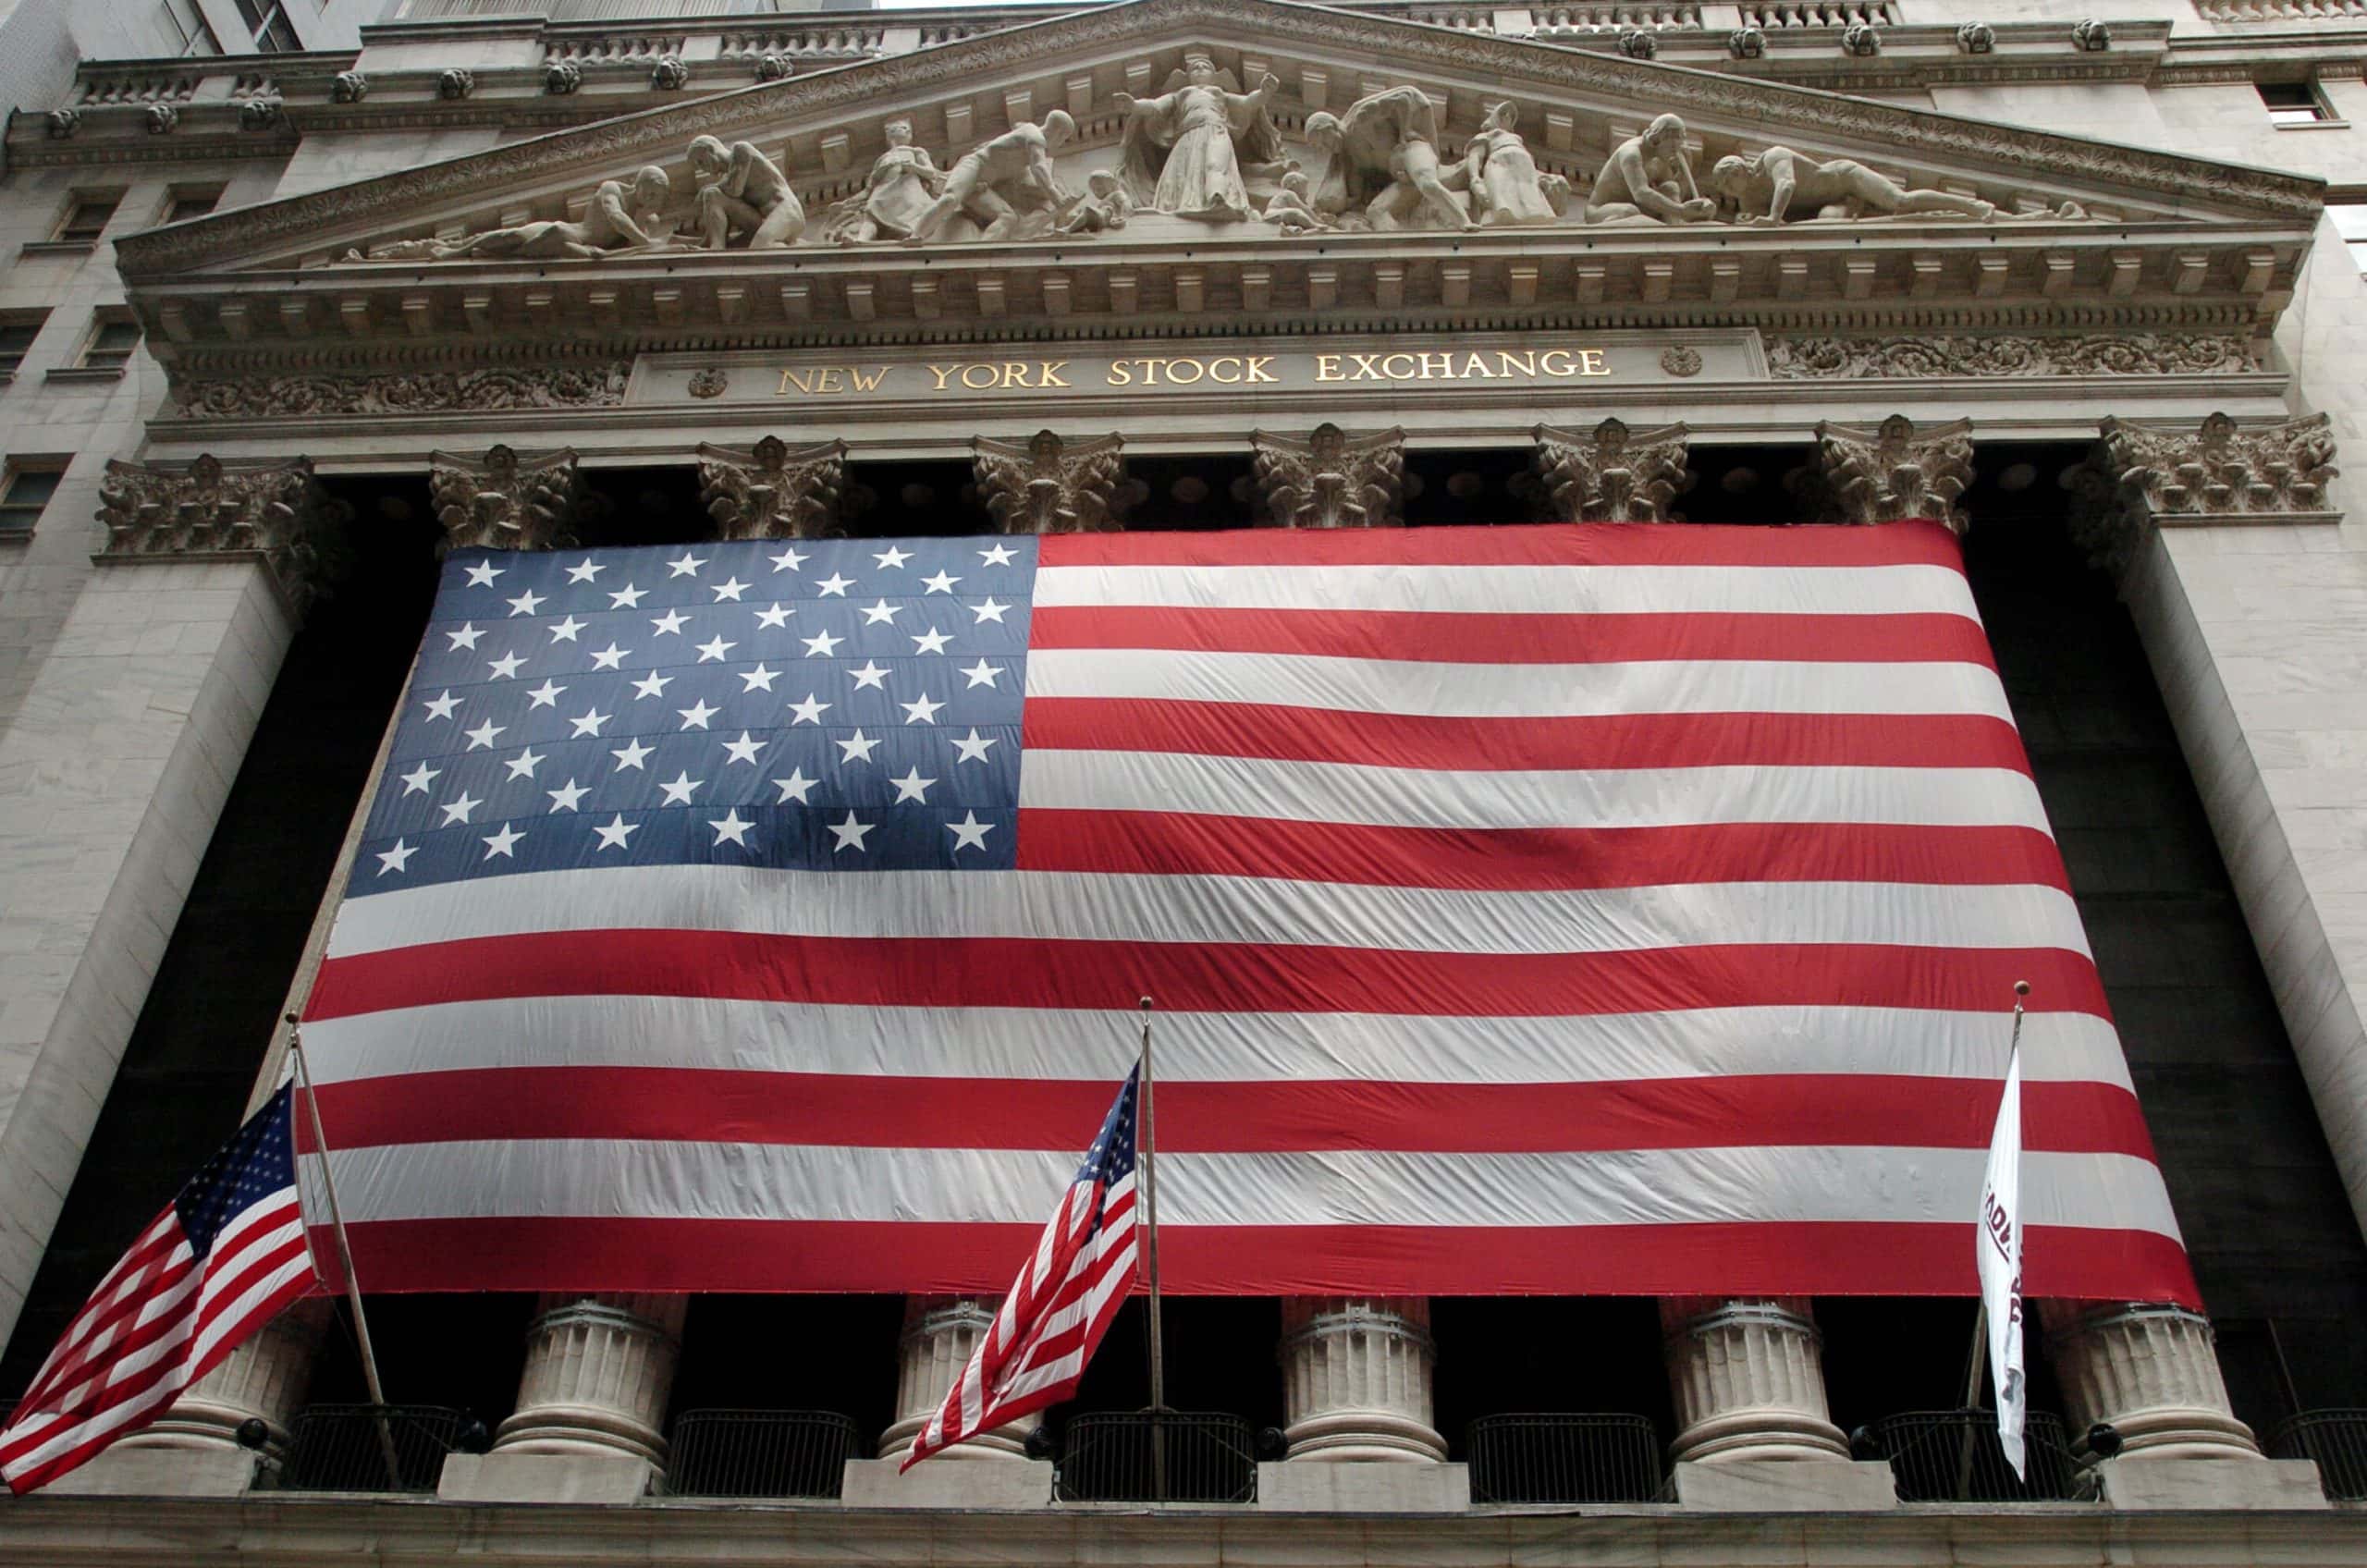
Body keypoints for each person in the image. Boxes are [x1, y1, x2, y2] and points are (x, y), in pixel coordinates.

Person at [362, 166, 672, 261]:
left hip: (574, 247)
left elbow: (666, 231)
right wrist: (646, 243)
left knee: (501, 249)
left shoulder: (646, 215)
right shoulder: (612, 187)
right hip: (564, 231)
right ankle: (453, 252)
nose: (655, 199)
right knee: (508, 236)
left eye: (659, 196)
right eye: (652, 191)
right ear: (640, 184)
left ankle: (462, 252)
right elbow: (616, 218)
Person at [1114, 53, 1283, 222]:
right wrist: (1134, 105)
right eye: (1195, 68)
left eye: (1205, 67)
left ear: (1213, 76)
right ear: (1188, 77)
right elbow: (1155, 107)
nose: (1200, 69)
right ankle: (1185, 205)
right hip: (1188, 137)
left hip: (1216, 132)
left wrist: (1264, 92)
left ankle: (1218, 199)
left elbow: (1247, 103)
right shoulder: (1181, 94)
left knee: (1215, 164)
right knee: (1184, 173)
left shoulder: (1219, 93)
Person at [1304, 85, 1472, 232]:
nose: (1326, 149)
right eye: (1321, 148)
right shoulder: (1350, 158)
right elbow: (1354, 196)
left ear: (1332, 126)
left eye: (1324, 141)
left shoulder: (1361, 118)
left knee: (1427, 184)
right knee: (1375, 212)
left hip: (1409, 151)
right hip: (1400, 178)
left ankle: (1466, 224)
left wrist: (1404, 131)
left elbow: (1403, 98)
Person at [902, 111, 1076, 244]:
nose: (1060, 144)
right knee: (950, 199)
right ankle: (916, 236)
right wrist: (1057, 198)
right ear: (1059, 133)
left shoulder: (1029, 148)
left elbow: (1029, 184)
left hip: (982, 187)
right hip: (973, 167)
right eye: (1064, 138)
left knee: (1008, 217)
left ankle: (984, 251)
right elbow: (1039, 169)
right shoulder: (1034, 135)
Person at [1708, 146, 1998, 224]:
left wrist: (1772, 217)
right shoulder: (1748, 198)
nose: (1731, 192)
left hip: (1846, 178)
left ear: (1741, 169)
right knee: (1826, 223)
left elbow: (1787, 185)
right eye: (1726, 190)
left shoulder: (1773, 157)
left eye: (1730, 182)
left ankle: (1972, 206)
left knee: (1900, 202)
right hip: (1835, 203)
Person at [1584, 113, 1716, 226]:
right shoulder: (1631, 154)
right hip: (1601, 211)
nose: (1674, 154)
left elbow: (1671, 198)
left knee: (1670, 187)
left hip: (1640, 208)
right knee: (1629, 212)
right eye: (1672, 148)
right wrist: (1681, 210)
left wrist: (1683, 175)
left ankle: (1677, 232)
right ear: (1658, 139)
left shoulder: (1659, 158)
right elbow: (1641, 194)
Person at [688, 135, 804, 251]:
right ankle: (717, 247)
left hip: (787, 211)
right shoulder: (726, 180)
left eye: (701, 162)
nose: (702, 169)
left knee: (761, 247)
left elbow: (735, 190)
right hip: (763, 221)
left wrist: (706, 189)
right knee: (712, 194)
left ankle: (802, 249)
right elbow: (719, 195)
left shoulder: (741, 150)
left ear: (710, 150)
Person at [1462, 101, 1568, 227]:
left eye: (1510, 115)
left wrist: (1546, 177)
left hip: (1524, 168)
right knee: (1502, 195)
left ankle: (1532, 216)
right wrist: (1475, 178)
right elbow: (1475, 156)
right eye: (1503, 114)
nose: (1507, 116)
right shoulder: (1487, 136)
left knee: (1528, 196)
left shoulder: (1517, 140)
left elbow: (1532, 171)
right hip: (1500, 163)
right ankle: (1502, 217)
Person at [843, 119, 946, 242]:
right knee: (871, 214)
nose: (901, 130)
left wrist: (913, 167)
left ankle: (913, 237)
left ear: (910, 134)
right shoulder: (884, 158)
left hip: (908, 189)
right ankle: (861, 240)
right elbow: (870, 185)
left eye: (903, 128)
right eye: (893, 129)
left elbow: (931, 173)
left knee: (911, 214)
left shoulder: (916, 151)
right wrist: (851, 201)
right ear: (887, 136)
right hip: (883, 191)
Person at [1057, 169, 1133, 234]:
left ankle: (1068, 230)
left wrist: (1123, 218)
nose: (1096, 192)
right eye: (1093, 190)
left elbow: (1126, 203)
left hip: (1106, 219)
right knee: (1073, 216)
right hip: (1097, 221)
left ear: (1113, 184)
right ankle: (1067, 229)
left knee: (1088, 210)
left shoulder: (1116, 194)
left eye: (1099, 189)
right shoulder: (1103, 201)